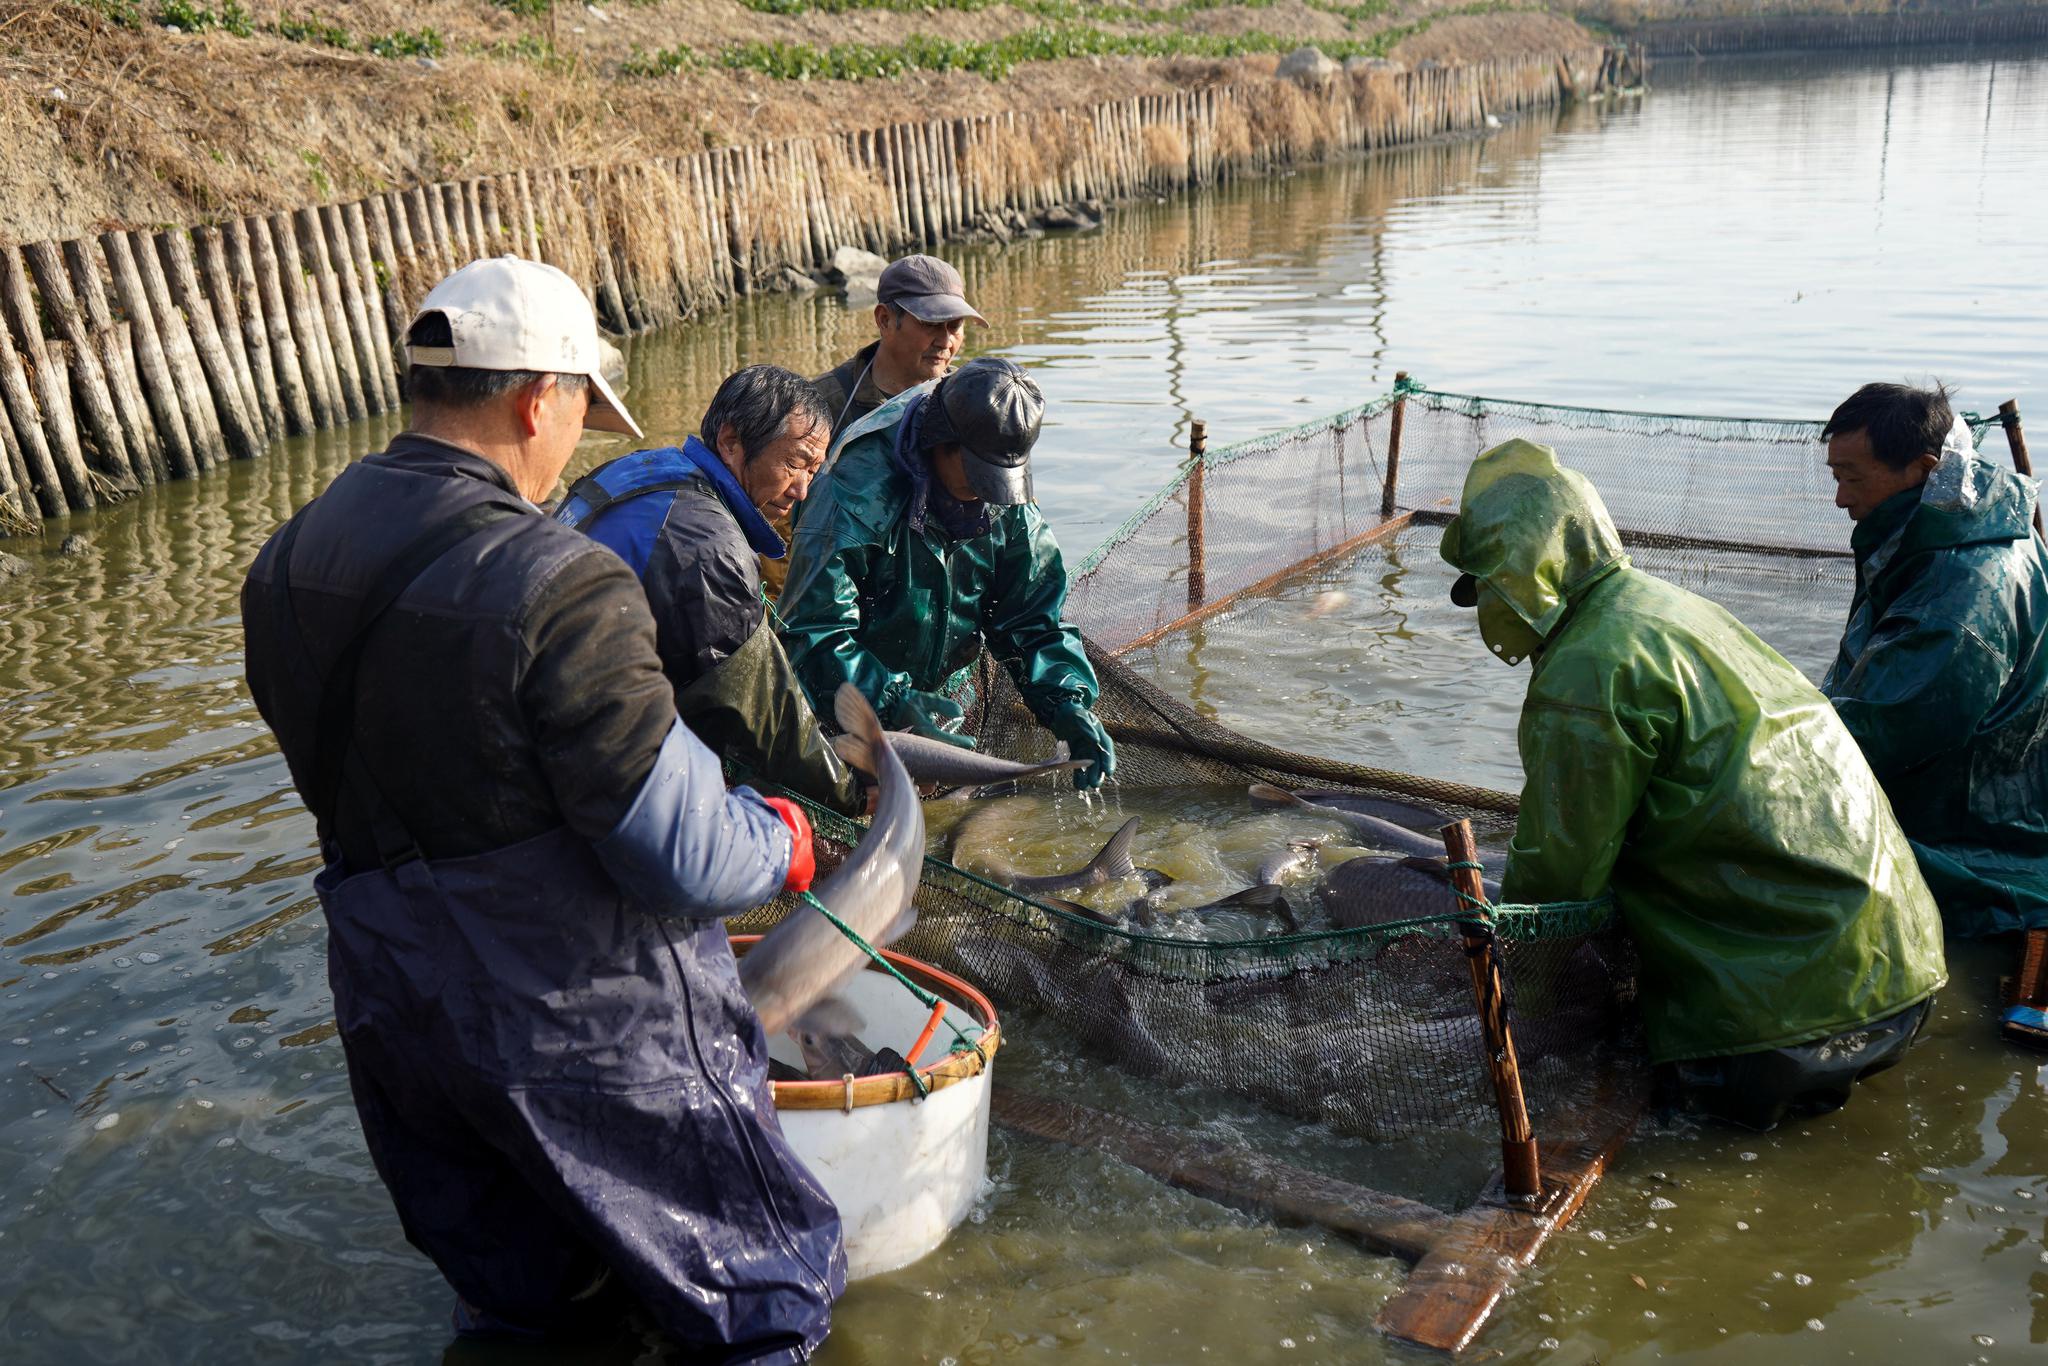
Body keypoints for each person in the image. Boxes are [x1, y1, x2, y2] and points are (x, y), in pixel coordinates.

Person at [239, 257, 844, 1358]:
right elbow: (679, 853)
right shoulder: (560, 580)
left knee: (524, 1309)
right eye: (577, 413)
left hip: (392, 1005)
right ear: (536, 399)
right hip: (579, 1021)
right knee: (759, 1299)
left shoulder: (287, 559)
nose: (572, 446)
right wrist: (782, 837)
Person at [1441, 437, 1946, 1130]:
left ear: (1523, 574)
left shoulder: (1586, 671)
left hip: (1783, 1029)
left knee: (1664, 1130)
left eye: (1486, 585)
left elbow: (1556, 875)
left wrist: (1518, 1000)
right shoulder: (1668, 608)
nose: (1485, 606)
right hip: (1906, 967)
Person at [1820, 381, 2048, 1043]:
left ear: (1923, 468)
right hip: (2009, 769)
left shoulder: (1956, 599)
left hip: (1974, 821)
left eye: (1853, 478)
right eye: (1835, 476)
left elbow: (1882, 731)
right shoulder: (1969, 516)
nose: (1840, 499)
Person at [777, 356, 1114, 788]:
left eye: (999, 480)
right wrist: (890, 701)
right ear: (940, 440)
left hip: (948, 701)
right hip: (847, 709)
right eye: (978, 476)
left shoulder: (1006, 504)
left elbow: (1031, 621)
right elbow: (812, 633)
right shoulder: (854, 494)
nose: (986, 493)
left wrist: (1067, 702)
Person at [554, 365, 862, 816]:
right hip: (581, 759)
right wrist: (850, 793)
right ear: (731, 441)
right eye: (795, 464)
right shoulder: (709, 547)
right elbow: (761, 716)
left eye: (813, 471)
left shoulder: (637, 468)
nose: (802, 490)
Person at [760, 254, 984, 599]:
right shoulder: (821, 405)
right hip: (836, 589)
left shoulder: (968, 406)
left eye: (954, 327)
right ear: (884, 319)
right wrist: (788, 607)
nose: (945, 342)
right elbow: (776, 521)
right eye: (930, 324)